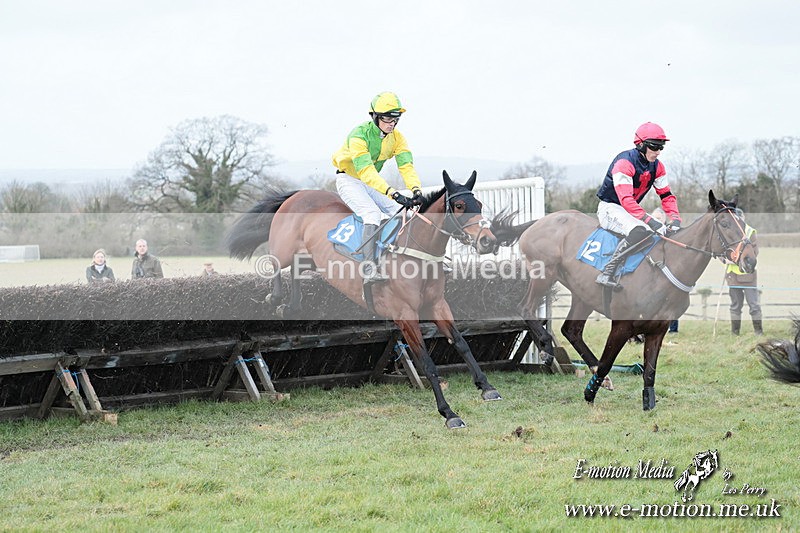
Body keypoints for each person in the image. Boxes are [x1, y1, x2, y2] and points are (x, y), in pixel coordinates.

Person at [332, 91, 424, 284]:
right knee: (372, 213)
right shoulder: (358, 135)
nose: (392, 123)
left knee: (399, 212)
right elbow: (366, 172)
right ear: (375, 116)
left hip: (369, 182)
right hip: (349, 180)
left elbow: (406, 166)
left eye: (396, 119)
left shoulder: (398, 138)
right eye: (387, 118)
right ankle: (368, 268)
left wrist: (416, 190)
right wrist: (393, 192)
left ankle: (405, 259)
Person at [595, 122, 682, 290]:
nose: (657, 152)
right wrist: (651, 220)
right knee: (641, 230)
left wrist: (675, 219)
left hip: (628, 209)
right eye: (654, 147)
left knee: (653, 231)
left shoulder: (658, 167)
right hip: (610, 207)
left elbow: (666, 196)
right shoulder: (624, 163)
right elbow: (626, 200)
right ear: (640, 144)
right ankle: (607, 272)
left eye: (661, 148)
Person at [725, 211, 762, 335]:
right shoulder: (729, 231)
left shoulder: (750, 232)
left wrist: (736, 260)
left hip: (749, 276)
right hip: (733, 276)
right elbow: (724, 250)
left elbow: (754, 253)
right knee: (735, 305)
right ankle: (735, 333)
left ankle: (758, 332)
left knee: (754, 305)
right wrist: (725, 259)